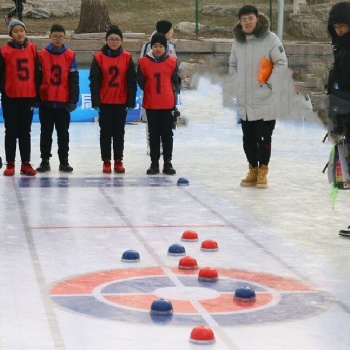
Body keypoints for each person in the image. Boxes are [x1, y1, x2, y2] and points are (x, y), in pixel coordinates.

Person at [229, 5, 288, 188]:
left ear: (257, 19)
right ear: (240, 22)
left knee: (263, 138)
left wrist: (269, 82)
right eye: (243, 19)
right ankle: (253, 170)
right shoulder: (237, 41)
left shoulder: (271, 39)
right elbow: (232, 65)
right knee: (248, 139)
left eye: (250, 19)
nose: (247, 23)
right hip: (245, 100)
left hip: (266, 99)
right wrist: (235, 83)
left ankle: (263, 170)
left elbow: (281, 62)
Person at [89, 25, 137, 174]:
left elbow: (131, 81)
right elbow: (94, 81)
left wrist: (131, 101)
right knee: (105, 132)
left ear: (121, 41)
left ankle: (118, 160)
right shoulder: (98, 58)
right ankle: (106, 161)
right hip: (105, 102)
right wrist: (95, 102)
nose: (114, 42)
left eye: (117, 39)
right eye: (111, 39)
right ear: (106, 40)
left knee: (119, 132)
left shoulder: (127, 58)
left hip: (120, 101)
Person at [36, 24, 79, 173]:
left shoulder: (70, 55)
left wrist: (73, 99)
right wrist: (37, 97)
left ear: (65, 37)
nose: (58, 39)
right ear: (50, 36)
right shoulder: (41, 55)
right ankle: (45, 160)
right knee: (45, 133)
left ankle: (64, 161)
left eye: (61, 36)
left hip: (63, 102)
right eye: (55, 36)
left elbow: (74, 79)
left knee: (63, 133)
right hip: (46, 101)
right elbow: (37, 78)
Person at [137, 32, 181, 175]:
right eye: (155, 46)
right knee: (154, 134)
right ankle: (154, 162)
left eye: (161, 46)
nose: (157, 49)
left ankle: (168, 162)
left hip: (167, 103)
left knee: (167, 134)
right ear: (151, 47)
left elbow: (176, 82)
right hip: (151, 104)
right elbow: (141, 81)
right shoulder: (143, 62)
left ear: (165, 47)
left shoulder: (172, 62)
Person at [0, 19, 38, 176]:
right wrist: (5, 90)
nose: (19, 33)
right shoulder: (3, 51)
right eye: (15, 31)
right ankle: (10, 163)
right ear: (10, 34)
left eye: (21, 30)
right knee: (11, 131)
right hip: (11, 97)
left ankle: (26, 163)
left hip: (28, 97)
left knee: (25, 132)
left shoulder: (33, 49)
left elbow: (37, 73)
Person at [326, 1, 350, 237]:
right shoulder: (339, 48)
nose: (339, 30)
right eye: (335, 27)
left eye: (342, 25)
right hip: (344, 113)